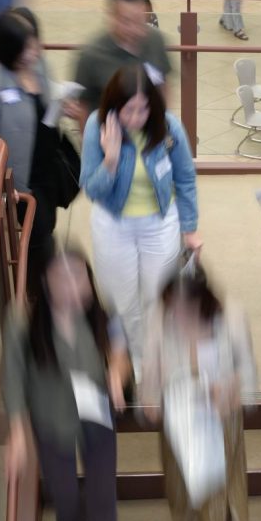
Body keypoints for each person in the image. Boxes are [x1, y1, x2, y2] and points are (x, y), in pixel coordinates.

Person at [3, 248, 130, 521]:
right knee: (62, 488)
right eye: (62, 278)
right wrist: (16, 433)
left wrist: (117, 379)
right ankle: (72, 519)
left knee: (103, 496)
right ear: (44, 283)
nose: (73, 287)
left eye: (79, 276)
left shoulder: (103, 313)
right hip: (50, 417)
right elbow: (12, 378)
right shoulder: (22, 322)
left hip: (96, 414)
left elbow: (121, 351)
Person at [141, 265, 256, 521]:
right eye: (172, 305)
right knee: (184, 497)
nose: (177, 314)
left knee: (215, 501)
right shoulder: (160, 318)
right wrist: (154, 400)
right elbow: (149, 380)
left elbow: (248, 377)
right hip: (180, 427)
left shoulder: (231, 317)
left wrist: (229, 391)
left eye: (184, 306)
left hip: (220, 425)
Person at [80, 66, 200, 380]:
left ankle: (157, 361)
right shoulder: (97, 126)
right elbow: (91, 190)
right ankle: (135, 361)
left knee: (157, 296)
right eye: (128, 110)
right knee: (123, 301)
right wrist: (111, 158)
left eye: (143, 109)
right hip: (113, 224)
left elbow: (185, 179)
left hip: (159, 223)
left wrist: (190, 228)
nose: (135, 118)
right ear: (114, 107)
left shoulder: (169, 127)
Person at [0, 9, 58, 278]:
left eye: (34, 43)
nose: (35, 51)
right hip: (20, 181)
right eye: (26, 47)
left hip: (47, 169)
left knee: (47, 226)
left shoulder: (39, 66)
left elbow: (45, 109)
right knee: (39, 237)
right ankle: (35, 289)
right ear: (9, 50)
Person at [74, 0, 172, 123]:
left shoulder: (156, 40)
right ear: (111, 17)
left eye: (140, 21)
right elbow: (83, 107)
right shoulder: (91, 55)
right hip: (108, 137)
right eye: (126, 21)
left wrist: (163, 121)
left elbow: (164, 85)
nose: (134, 29)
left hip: (150, 134)